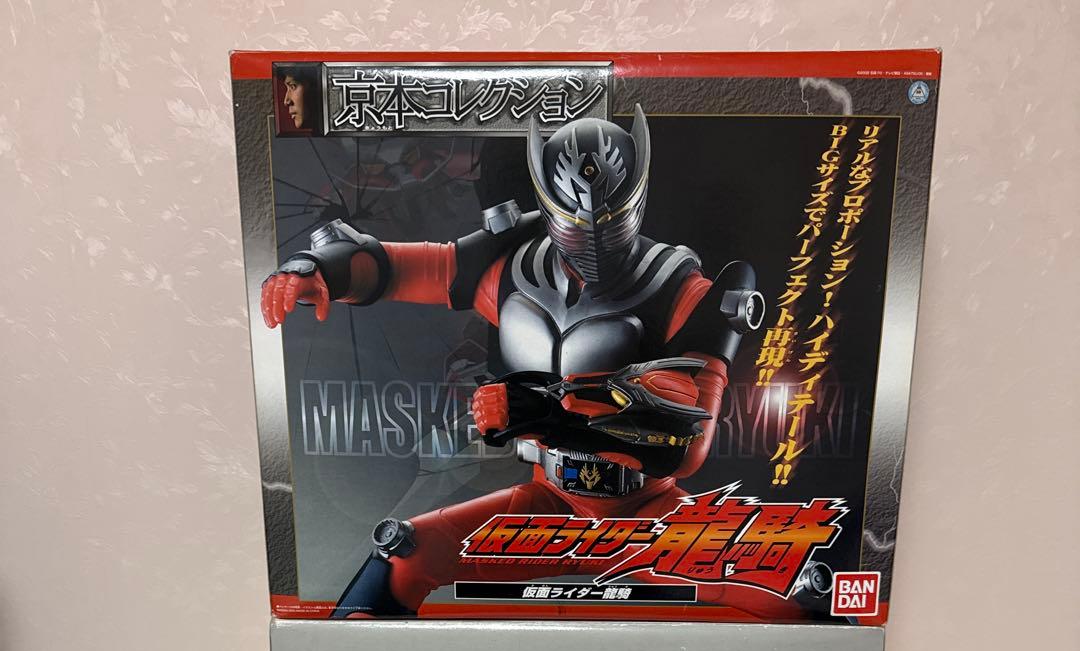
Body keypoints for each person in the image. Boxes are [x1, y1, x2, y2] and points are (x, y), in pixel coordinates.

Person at [259, 106, 809, 619]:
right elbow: (394, 267)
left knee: (799, 589)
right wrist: (317, 269)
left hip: (648, 516)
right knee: (400, 558)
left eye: (611, 216)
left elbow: (683, 442)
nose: (593, 236)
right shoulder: (510, 268)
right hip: (548, 505)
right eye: (575, 219)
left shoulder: (680, 288)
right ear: (548, 204)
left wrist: (547, 413)